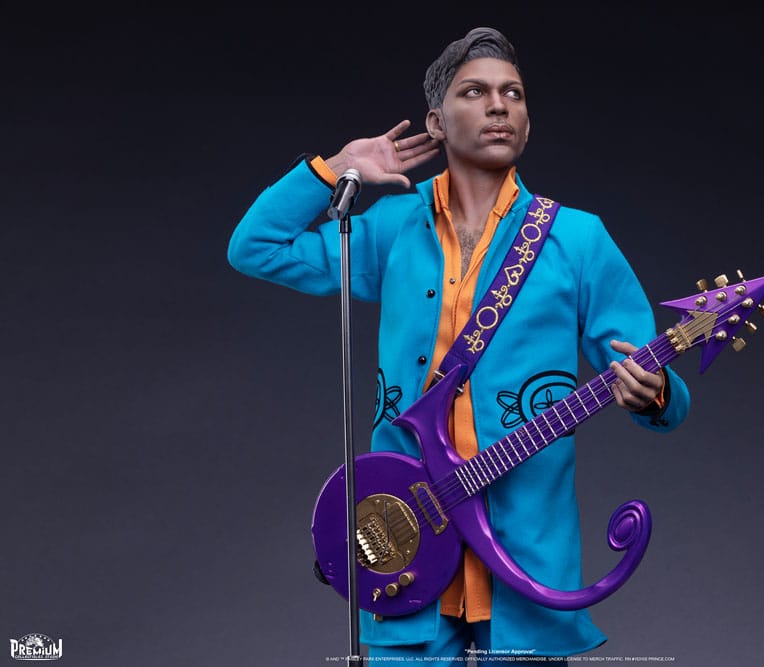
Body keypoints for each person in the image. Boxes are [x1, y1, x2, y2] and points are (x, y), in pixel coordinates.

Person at [228, 26, 690, 665]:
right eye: (475, 92)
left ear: (527, 123)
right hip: (404, 539)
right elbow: (255, 247)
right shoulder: (392, 225)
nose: (499, 105)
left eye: (513, 94)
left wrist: (655, 391)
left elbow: (656, 384)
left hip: (526, 548)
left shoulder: (578, 240)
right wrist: (335, 169)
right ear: (436, 122)